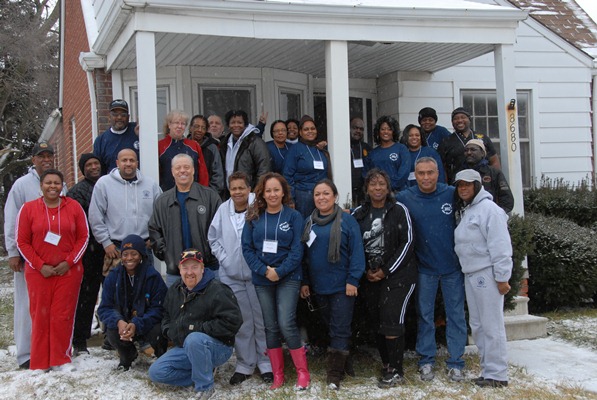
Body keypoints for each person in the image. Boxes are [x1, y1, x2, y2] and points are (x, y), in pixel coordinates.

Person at [396, 157, 467, 382]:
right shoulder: (405, 197)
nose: (426, 177)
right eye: (421, 173)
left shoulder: (451, 194)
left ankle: (456, 362)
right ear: (414, 175)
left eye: (430, 172)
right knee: (424, 316)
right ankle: (426, 360)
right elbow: (381, 207)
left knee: (455, 316)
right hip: (424, 269)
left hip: (452, 268)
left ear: (438, 173)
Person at [16, 169, 89, 371]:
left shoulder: (73, 207)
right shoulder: (28, 209)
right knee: (40, 315)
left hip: (68, 272)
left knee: (62, 315)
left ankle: (60, 359)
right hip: (39, 273)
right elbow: (22, 242)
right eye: (48, 183)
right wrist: (40, 266)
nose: (53, 186)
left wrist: (69, 261)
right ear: (41, 186)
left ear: (62, 186)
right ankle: (39, 362)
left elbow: (84, 237)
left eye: (57, 183)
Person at [241, 173, 309, 390]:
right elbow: (247, 248)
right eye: (268, 190)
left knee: (286, 323)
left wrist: (279, 271)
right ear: (262, 193)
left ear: (283, 192)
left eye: (276, 190)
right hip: (262, 278)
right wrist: (263, 270)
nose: (272, 194)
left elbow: (298, 250)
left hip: (288, 277)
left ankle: (302, 373)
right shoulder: (254, 217)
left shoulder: (294, 216)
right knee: (270, 327)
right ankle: (278, 375)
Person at [352, 169, 417, 387]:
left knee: (391, 318)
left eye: (381, 184)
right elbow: (352, 243)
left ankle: (397, 370)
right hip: (370, 276)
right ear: (367, 188)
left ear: (388, 188)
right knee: (377, 321)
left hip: (397, 276)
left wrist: (386, 270)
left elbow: (407, 243)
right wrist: (364, 271)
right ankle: (387, 364)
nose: (377, 188)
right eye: (373, 184)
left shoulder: (399, 210)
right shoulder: (359, 213)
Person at [148, 249, 242, 399]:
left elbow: (233, 321)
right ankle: (204, 371)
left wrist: (199, 329)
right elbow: (165, 315)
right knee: (156, 372)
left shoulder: (217, 289)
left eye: (194, 267)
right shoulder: (175, 290)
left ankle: (205, 387)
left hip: (219, 347)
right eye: (185, 267)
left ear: (202, 268)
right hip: (187, 346)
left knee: (194, 339)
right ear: (179, 269)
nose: (189, 272)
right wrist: (169, 331)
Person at [4, 140, 65, 369]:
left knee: (50, 307)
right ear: (33, 160)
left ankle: (48, 351)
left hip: (54, 259)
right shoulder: (21, 185)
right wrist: (13, 252)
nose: (46, 159)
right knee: (27, 305)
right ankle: (26, 353)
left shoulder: (59, 183)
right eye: (41, 156)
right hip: (29, 257)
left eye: (49, 155)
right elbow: (11, 218)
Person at [208, 172, 273, 385]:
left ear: (249, 188)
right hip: (232, 276)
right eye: (234, 188)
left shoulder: (259, 206)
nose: (238, 192)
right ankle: (245, 364)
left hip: (258, 274)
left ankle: (266, 363)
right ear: (229, 190)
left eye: (241, 188)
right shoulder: (222, 210)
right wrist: (225, 260)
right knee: (242, 322)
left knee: (262, 319)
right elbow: (213, 238)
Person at [300, 179, 365, 390]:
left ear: (335, 196)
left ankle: (334, 375)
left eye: (326, 193)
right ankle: (346, 362)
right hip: (320, 287)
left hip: (343, 286)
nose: (321, 197)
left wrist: (353, 279)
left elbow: (357, 253)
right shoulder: (309, 222)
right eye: (317, 194)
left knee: (339, 328)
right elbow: (305, 257)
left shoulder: (347, 222)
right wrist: (306, 282)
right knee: (332, 327)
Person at [453, 169, 512, 388]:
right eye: (460, 185)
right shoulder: (469, 210)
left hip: (486, 273)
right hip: (471, 273)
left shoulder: (490, 210)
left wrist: (502, 276)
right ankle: (488, 370)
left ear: (478, 186)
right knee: (477, 325)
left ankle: (498, 374)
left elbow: (500, 245)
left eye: (467, 184)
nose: (463, 189)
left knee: (491, 324)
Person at [97, 234, 168, 371]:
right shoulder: (113, 276)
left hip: (145, 321)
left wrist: (137, 324)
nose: (129, 258)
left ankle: (161, 357)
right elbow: (104, 308)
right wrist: (119, 322)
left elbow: (159, 309)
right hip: (123, 322)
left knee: (159, 330)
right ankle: (127, 355)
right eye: (125, 254)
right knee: (112, 330)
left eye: (134, 254)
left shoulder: (153, 277)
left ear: (141, 255)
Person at [149, 154, 222, 286]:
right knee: (178, 306)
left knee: (211, 306)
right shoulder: (162, 201)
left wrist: (212, 254)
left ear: (193, 170)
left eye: (186, 167)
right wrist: (168, 256)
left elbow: (221, 230)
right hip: (175, 273)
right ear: (172, 172)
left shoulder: (210, 197)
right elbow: (155, 231)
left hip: (208, 269)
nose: (182, 171)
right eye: (178, 168)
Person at [89, 148, 161, 268]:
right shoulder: (104, 184)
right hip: (116, 249)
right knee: (117, 286)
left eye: (132, 160)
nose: (128, 163)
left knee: (146, 286)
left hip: (144, 247)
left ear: (137, 163)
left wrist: (154, 238)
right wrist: (106, 242)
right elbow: (95, 215)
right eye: (124, 160)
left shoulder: (150, 185)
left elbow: (160, 214)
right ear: (117, 163)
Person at [67, 153, 105, 355]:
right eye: (88, 165)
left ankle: (112, 335)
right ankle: (80, 339)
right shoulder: (76, 192)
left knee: (112, 295)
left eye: (96, 163)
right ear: (83, 169)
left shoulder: (109, 184)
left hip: (110, 250)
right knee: (87, 296)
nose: (93, 167)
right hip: (89, 252)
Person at [283, 115, 332, 218]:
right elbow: (287, 176)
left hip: (322, 196)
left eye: (312, 128)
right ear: (300, 132)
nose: (310, 131)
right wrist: (290, 198)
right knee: (306, 228)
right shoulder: (294, 149)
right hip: (303, 197)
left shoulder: (320, 149)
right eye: (306, 129)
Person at [438, 107, 500, 183]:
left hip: (483, 182)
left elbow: (494, 161)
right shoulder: (446, 141)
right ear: (452, 122)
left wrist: (495, 180)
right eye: (456, 118)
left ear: (469, 119)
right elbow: (442, 168)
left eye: (463, 117)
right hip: (458, 184)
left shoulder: (483, 138)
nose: (460, 120)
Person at [220, 109, 271, 192]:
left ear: (245, 125)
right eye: (233, 122)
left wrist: (257, 192)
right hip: (230, 193)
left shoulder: (255, 142)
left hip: (250, 193)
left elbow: (264, 169)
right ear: (228, 125)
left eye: (240, 122)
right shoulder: (224, 143)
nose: (236, 125)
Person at [158, 110, 209, 191]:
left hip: (193, 194)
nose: (179, 126)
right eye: (176, 123)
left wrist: (203, 193)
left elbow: (203, 173)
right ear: (169, 124)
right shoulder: (160, 146)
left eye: (183, 124)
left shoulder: (194, 146)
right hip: (167, 195)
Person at [460, 139, 514, 213]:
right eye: (466, 150)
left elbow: (507, 200)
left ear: (482, 153)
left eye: (473, 150)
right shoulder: (460, 173)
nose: (469, 152)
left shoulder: (494, 173)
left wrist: (495, 214)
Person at [363, 115, 410, 194]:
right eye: (383, 129)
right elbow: (366, 175)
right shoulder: (372, 153)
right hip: (378, 194)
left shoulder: (401, 149)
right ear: (378, 132)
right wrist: (377, 187)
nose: (386, 132)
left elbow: (404, 172)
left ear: (393, 132)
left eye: (389, 129)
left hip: (399, 193)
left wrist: (389, 187)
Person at [93, 99, 139, 175]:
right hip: (113, 184)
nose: (119, 117)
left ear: (128, 117)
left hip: (138, 183)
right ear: (109, 116)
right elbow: (99, 171)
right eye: (115, 114)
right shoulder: (100, 141)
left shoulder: (137, 130)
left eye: (123, 114)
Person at [189, 114, 225, 196]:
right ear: (190, 128)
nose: (199, 130)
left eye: (203, 128)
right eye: (196, 126)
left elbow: (218, 176)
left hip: (207, 195)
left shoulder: (212, 148)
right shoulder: (185, 145)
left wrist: (209, 196)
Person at [350, 117, 372, 206]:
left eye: (361, 129)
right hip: (347, 190)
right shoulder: (341, 145)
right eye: (355, 128)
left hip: (363, 193)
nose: (358, 131)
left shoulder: (367, 148)